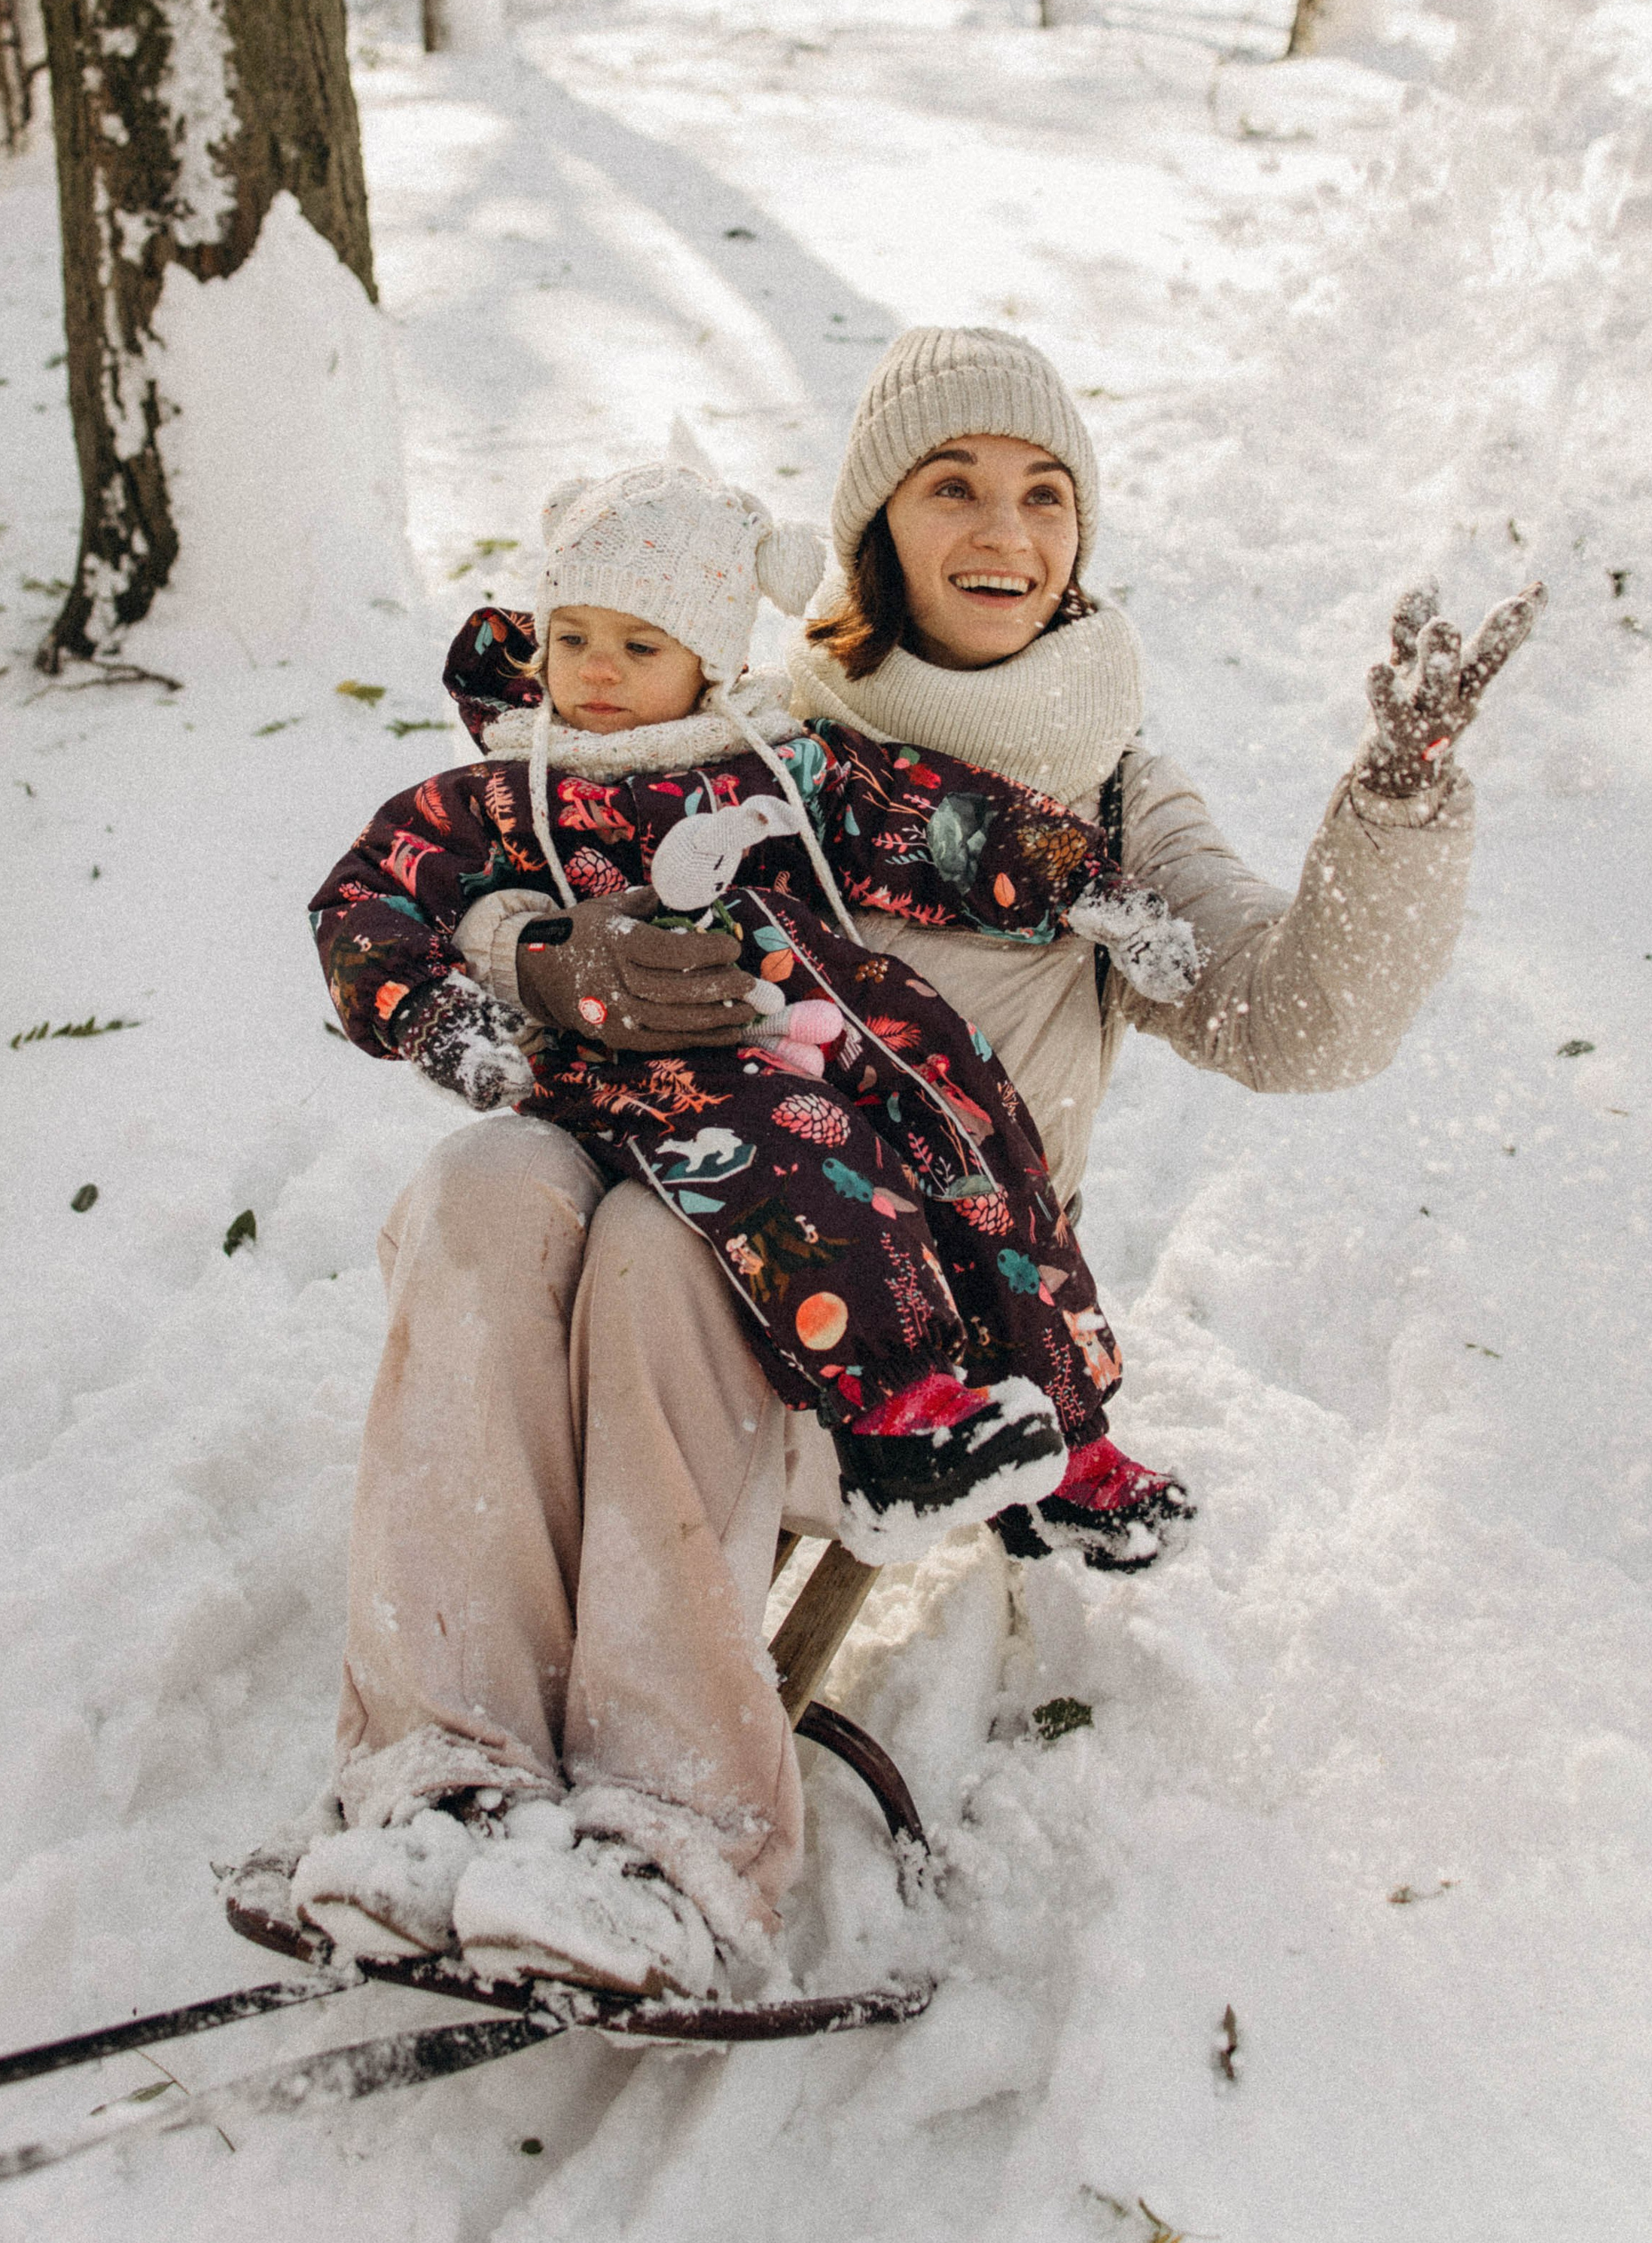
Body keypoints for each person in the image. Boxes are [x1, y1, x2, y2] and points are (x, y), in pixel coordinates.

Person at [226, 325, 1542, 2007]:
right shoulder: (742, 718)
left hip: (908, 1308)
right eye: (952, 487)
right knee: (484, 1187)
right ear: (872, 529)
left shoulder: (1111, 799)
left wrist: (1402, 797)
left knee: (649, 1258)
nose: (1005, 531)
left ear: (1081, 537)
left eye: (1045, 495)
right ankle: (433, 1769)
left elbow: (1296, 1021)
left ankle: (672, 1835)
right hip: (657, 1160)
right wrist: (547, 955)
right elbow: (500, 845)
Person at [309, 464, 1204, 1622]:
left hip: (839, 1020)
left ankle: (1066, 1442)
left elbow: (925, 819)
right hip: (670, 1065)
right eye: (571, 636)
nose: (595, 671)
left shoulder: (781, 762)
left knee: (972, 1133)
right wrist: (445, 1016)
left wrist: (1088, 886)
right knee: (814, 1158)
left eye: (641, 645)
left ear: (711, 660)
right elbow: (367, 903)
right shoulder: (498, 797)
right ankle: (899, 1422)